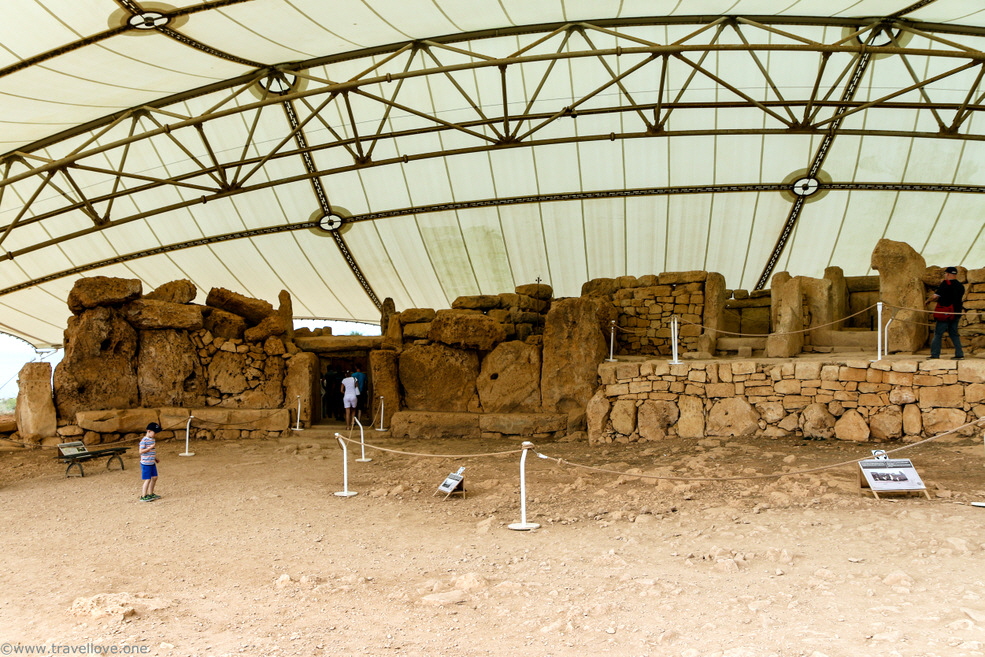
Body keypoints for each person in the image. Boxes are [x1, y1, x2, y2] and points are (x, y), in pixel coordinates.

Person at [927, 266, 965, 360]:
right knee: (954, 333)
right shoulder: (961, 286)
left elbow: (935, 296)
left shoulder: (945, 283)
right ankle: (959, 354)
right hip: (956, 312)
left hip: (945, 312)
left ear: (947, 274)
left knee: (938, 333)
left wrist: (927, 301)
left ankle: (935, 354)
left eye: (945, 273)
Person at [139, 422, 162, 502]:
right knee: (147, 479)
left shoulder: (152, 440)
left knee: (155, 478)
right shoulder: (144, 441)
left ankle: (151, 493)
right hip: (146, 464)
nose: (155, 434)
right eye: (154, 432)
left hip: (152, 462)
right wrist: (150, 448)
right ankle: (143, 495)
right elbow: (141, 451)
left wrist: (155, 458)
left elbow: (152, 451)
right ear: (148, 431)